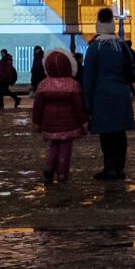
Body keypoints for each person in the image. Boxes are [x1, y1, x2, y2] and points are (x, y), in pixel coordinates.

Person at [81, 7, 135, 181]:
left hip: (102, 96)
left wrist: (87, 104)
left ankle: (109, 168)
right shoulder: (121, 46)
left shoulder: (94, 48)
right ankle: (119, 168)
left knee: (107, 135)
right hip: (121, 95)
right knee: (120, 134)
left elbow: (88, 78)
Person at [31, 49, 88, 184]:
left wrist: (37, 123)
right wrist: (84, 123)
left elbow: (37, 107)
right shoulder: (73, 84)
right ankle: (62, 173)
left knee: (53, 145)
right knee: (65, 148)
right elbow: (79, 107)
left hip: (49, 122)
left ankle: (49, 168)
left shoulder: (43, 84)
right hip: (69, 123)